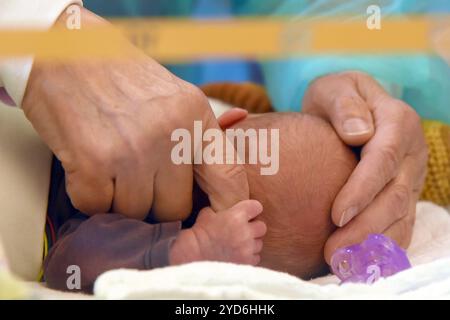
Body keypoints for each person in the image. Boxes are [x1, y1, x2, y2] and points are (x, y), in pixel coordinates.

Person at [0, 0, 429, 264]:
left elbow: (66, 261)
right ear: (227, 120)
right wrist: (30, 21)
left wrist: (179, 250)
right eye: (213, 166)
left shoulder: (157, 237)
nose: (186, 205)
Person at [44, 110, 357, 292]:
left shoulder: (150, 237)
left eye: (197, 213)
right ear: (222, 123)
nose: (176, 194)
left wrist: (187, 247)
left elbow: (63, 265)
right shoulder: (160, 113)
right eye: (207, 170)